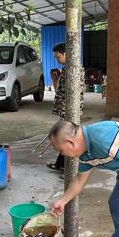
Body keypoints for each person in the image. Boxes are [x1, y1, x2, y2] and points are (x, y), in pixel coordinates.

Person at [46, 42, 84, 172]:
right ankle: (61, 164)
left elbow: (73, 92)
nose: (57, 59)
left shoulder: (73, 70)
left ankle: (67, 166)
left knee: (67, 136)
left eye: (58, 56)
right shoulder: (68, 68)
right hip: (65, 109)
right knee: (66, 136)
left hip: (69, 110)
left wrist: (68, 112)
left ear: (66, 54)